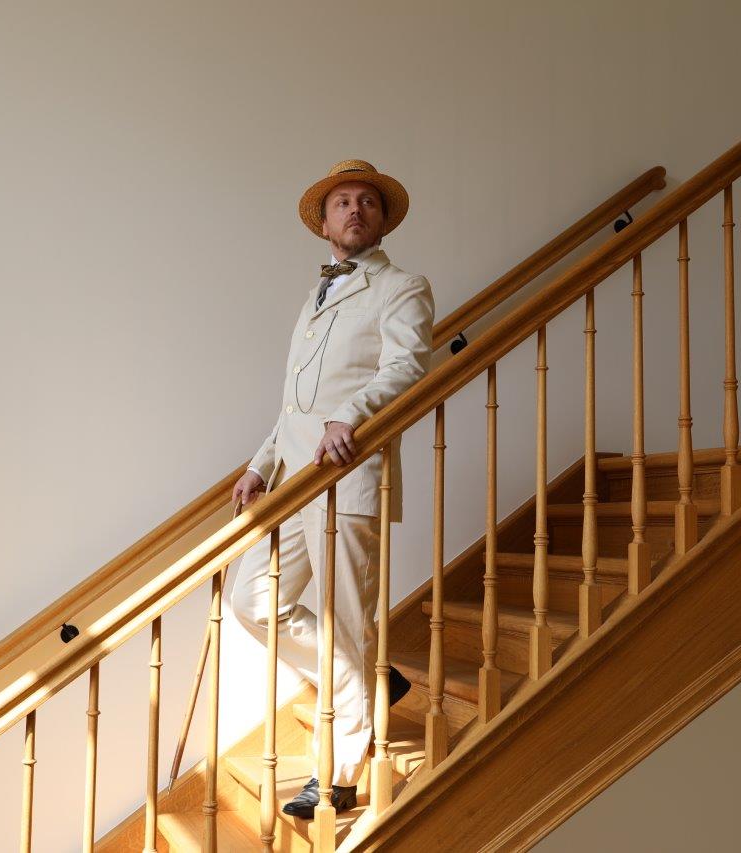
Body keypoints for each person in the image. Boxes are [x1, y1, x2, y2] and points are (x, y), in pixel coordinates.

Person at [229, 159, 435, 819]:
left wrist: (354, 415)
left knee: (349, 620)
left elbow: (407, 364)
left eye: (367, 202)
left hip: (349, 474)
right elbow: (295, 403)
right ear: (325, 223)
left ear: (382, 220)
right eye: (342, 201)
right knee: (252, 599)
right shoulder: (314, 298)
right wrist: (260, 463)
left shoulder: (402, 287)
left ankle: (341, 774)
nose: (354, 210)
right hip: (293, 482)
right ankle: (373, 681)